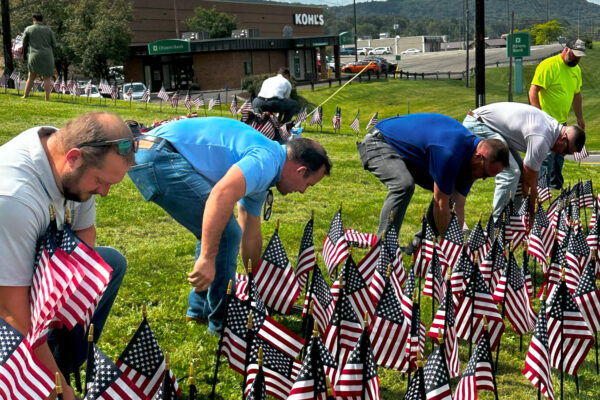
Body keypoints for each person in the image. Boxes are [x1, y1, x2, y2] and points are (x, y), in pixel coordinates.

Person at [127, 117, 331, 334]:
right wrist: (206, 258)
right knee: (225, 233)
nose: (302, 191)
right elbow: (221, 195)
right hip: (157, 154)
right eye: (307, 184)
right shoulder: (265, 161)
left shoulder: (269, 168)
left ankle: (200, 310)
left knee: (217, 229)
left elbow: (250, 231)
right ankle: (223, 325)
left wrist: (256, 282)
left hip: (152, 150)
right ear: (300, 170)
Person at [0, 112, 135, 400]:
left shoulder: (63, 155)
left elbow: (85, 237)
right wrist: (58, 389)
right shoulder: (14, 200)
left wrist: (58, 297)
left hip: (27, 271)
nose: (105, 192)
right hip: (6, 296)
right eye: (100, 181)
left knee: (109, 265)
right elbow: (11, 315)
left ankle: (60, 361)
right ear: (73, 157)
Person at [357, 113, 509, 242]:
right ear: (479, 157)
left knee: (449, 191)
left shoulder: (470, 161)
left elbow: (458, 205)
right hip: (379, 142)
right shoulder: (450, 152)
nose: (482, 178)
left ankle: (422, 247)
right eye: (485, 174)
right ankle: (384, 249)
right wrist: (450, 247)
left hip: (409, 155)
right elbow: (440, 204)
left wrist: (457, 245)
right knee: (403, 185)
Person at [464, 102, 585, 218]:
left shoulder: (553, 130)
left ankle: (514, 220)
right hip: (478, 123)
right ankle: (499, 226)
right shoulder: (542, 138)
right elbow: (530, 182)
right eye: (567, 151)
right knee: (511, 172)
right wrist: (532, 215)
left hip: (489, 126)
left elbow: (529, 178)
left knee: (519, 173)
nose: (563, 154)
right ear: (563, 139)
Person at [529, 39, 586, 189]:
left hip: (562, 123)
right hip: (546, 122)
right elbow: (534, 90)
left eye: (580, 57)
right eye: (575, 55)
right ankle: (541, 188)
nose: (577, 59)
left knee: (559, 156)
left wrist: (580, 117)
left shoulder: (576, 70)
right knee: (546, 157)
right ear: (566, 49)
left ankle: (555, 187)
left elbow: (576, 95)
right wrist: (538, 115)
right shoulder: (549, 65)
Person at [22, 12, 56, 101]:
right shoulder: (49, 30)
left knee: (31, 76)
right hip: (47, 56)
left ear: (34, 19)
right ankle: (47, 98)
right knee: (47, 78)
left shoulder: (29, 29)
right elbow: (54, 43)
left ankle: (25, 95)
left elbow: (24, 43)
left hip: (34, 55)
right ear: (42, 19)